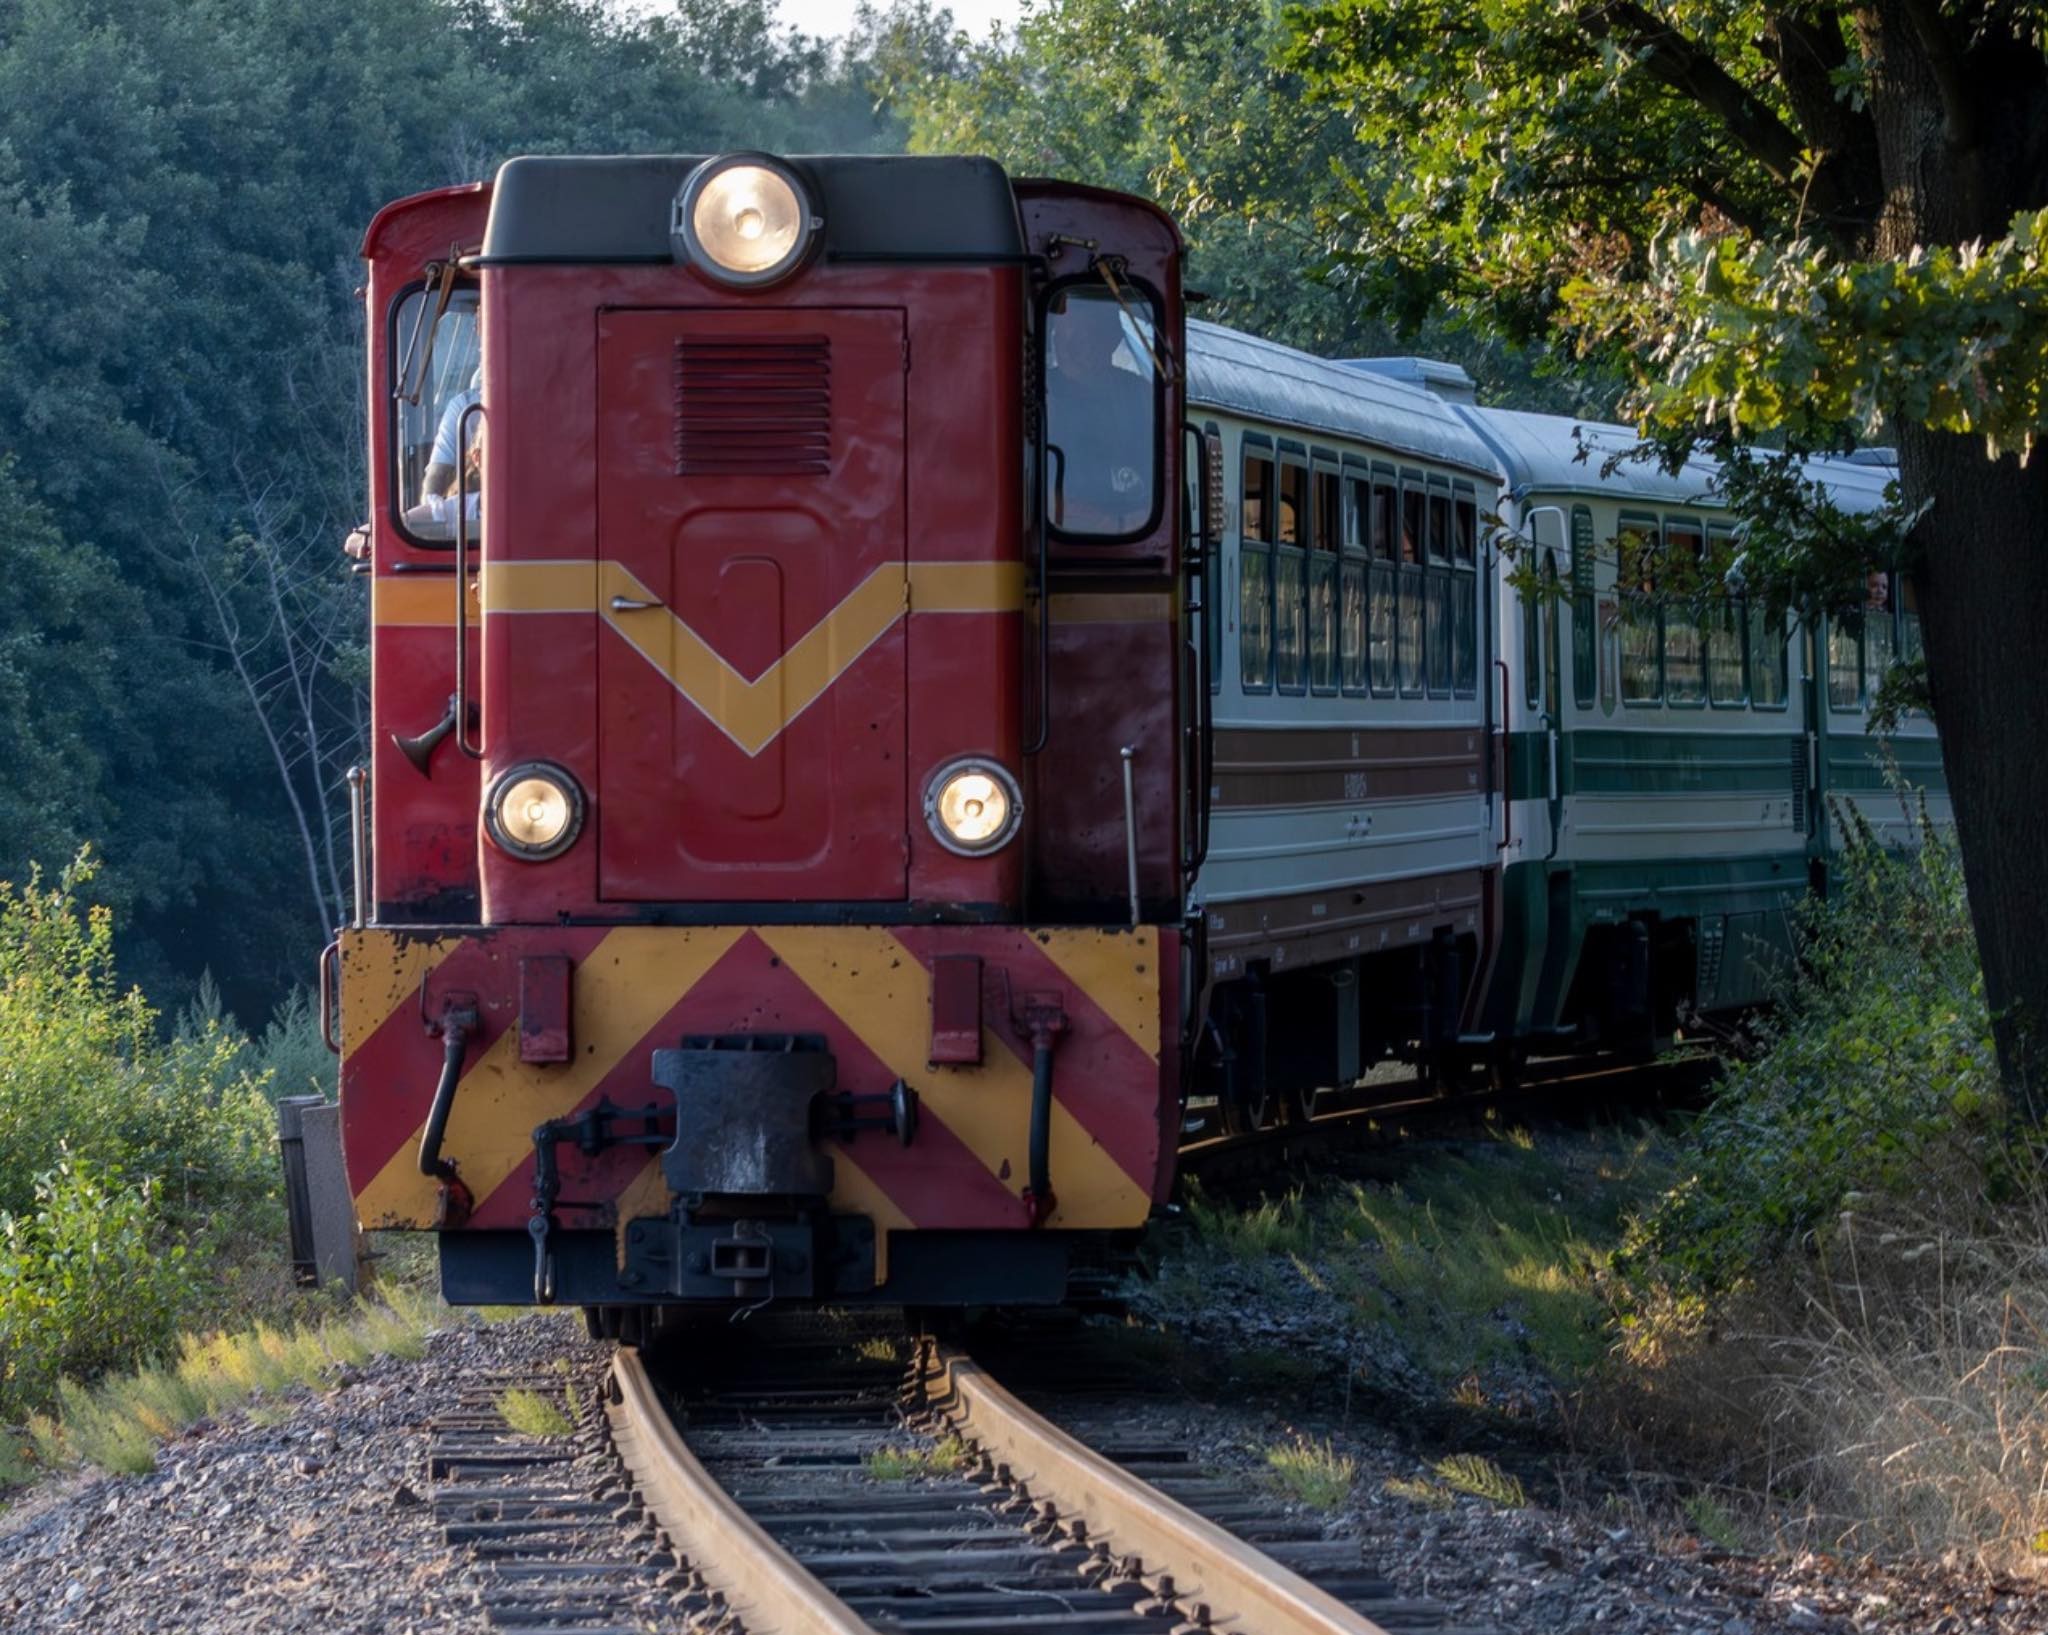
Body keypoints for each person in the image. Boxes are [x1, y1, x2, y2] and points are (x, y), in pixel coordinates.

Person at [1044, 289, 1156, 534]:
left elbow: (1164, 486)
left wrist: (1127, 522)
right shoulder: (1038, 396)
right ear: (1055, 335)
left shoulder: (1143, 397)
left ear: (1113, 338)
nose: (1078, 347)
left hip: (1130, 543)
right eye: (1068, 335)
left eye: (1091, 335)